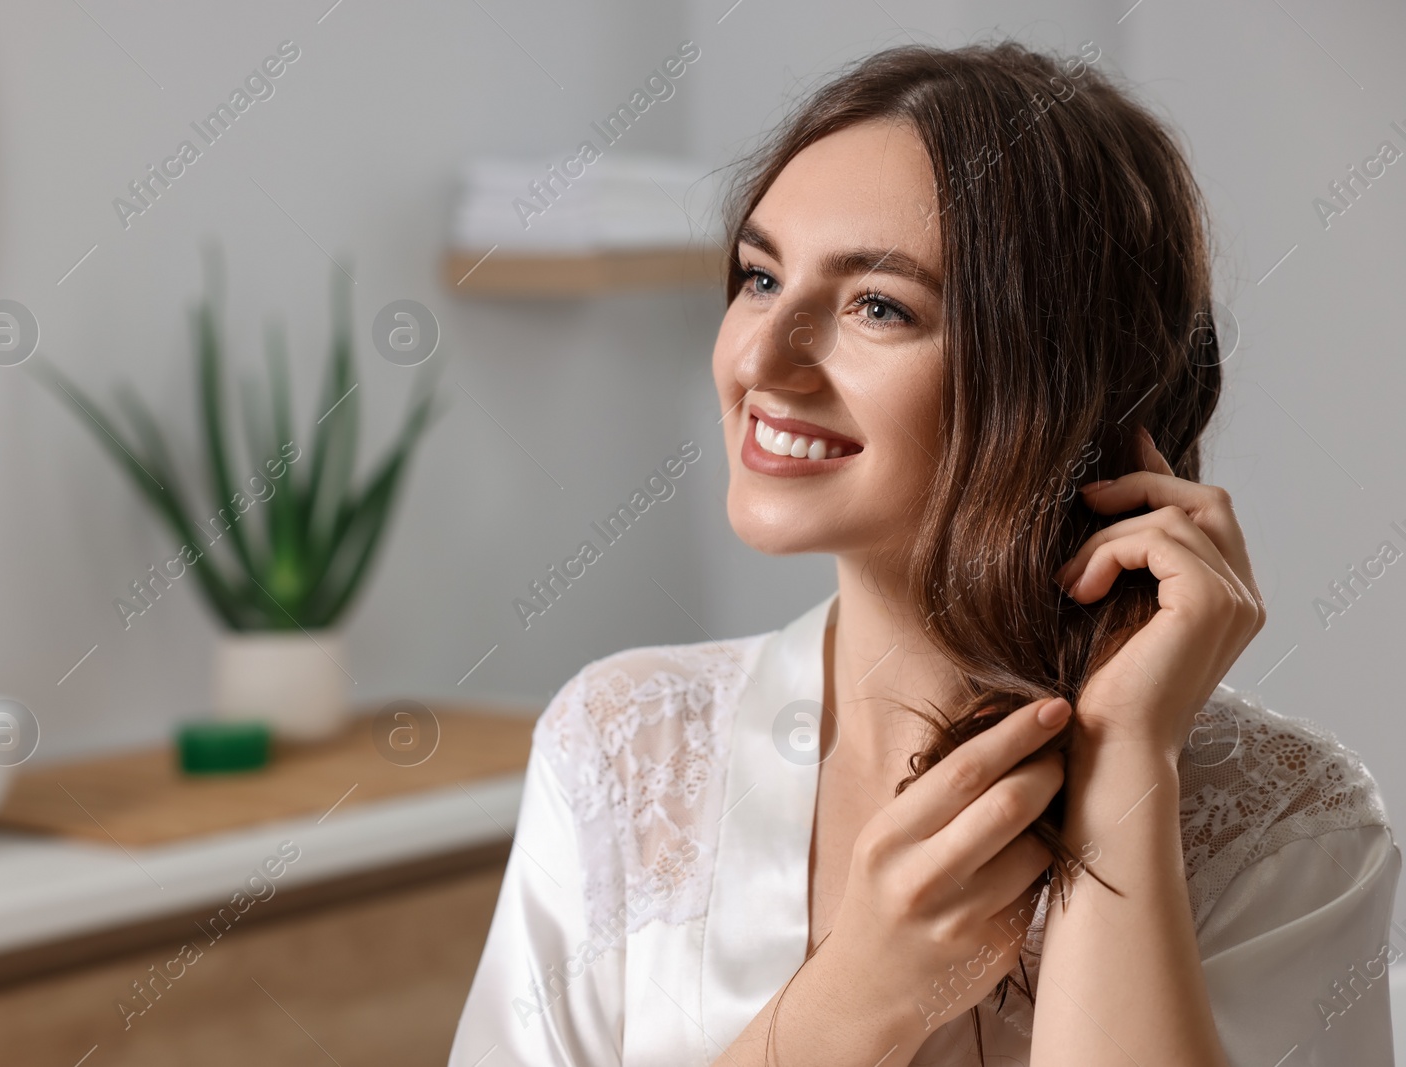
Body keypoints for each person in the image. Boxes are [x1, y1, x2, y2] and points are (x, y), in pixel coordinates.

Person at [448, 41, 1399, 1066]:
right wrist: (854, 1000)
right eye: (761, 277)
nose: (761, 358)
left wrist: (1126, 766)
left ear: (1058, 381)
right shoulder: (622, 747)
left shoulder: (1288, 822)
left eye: (877, 306)